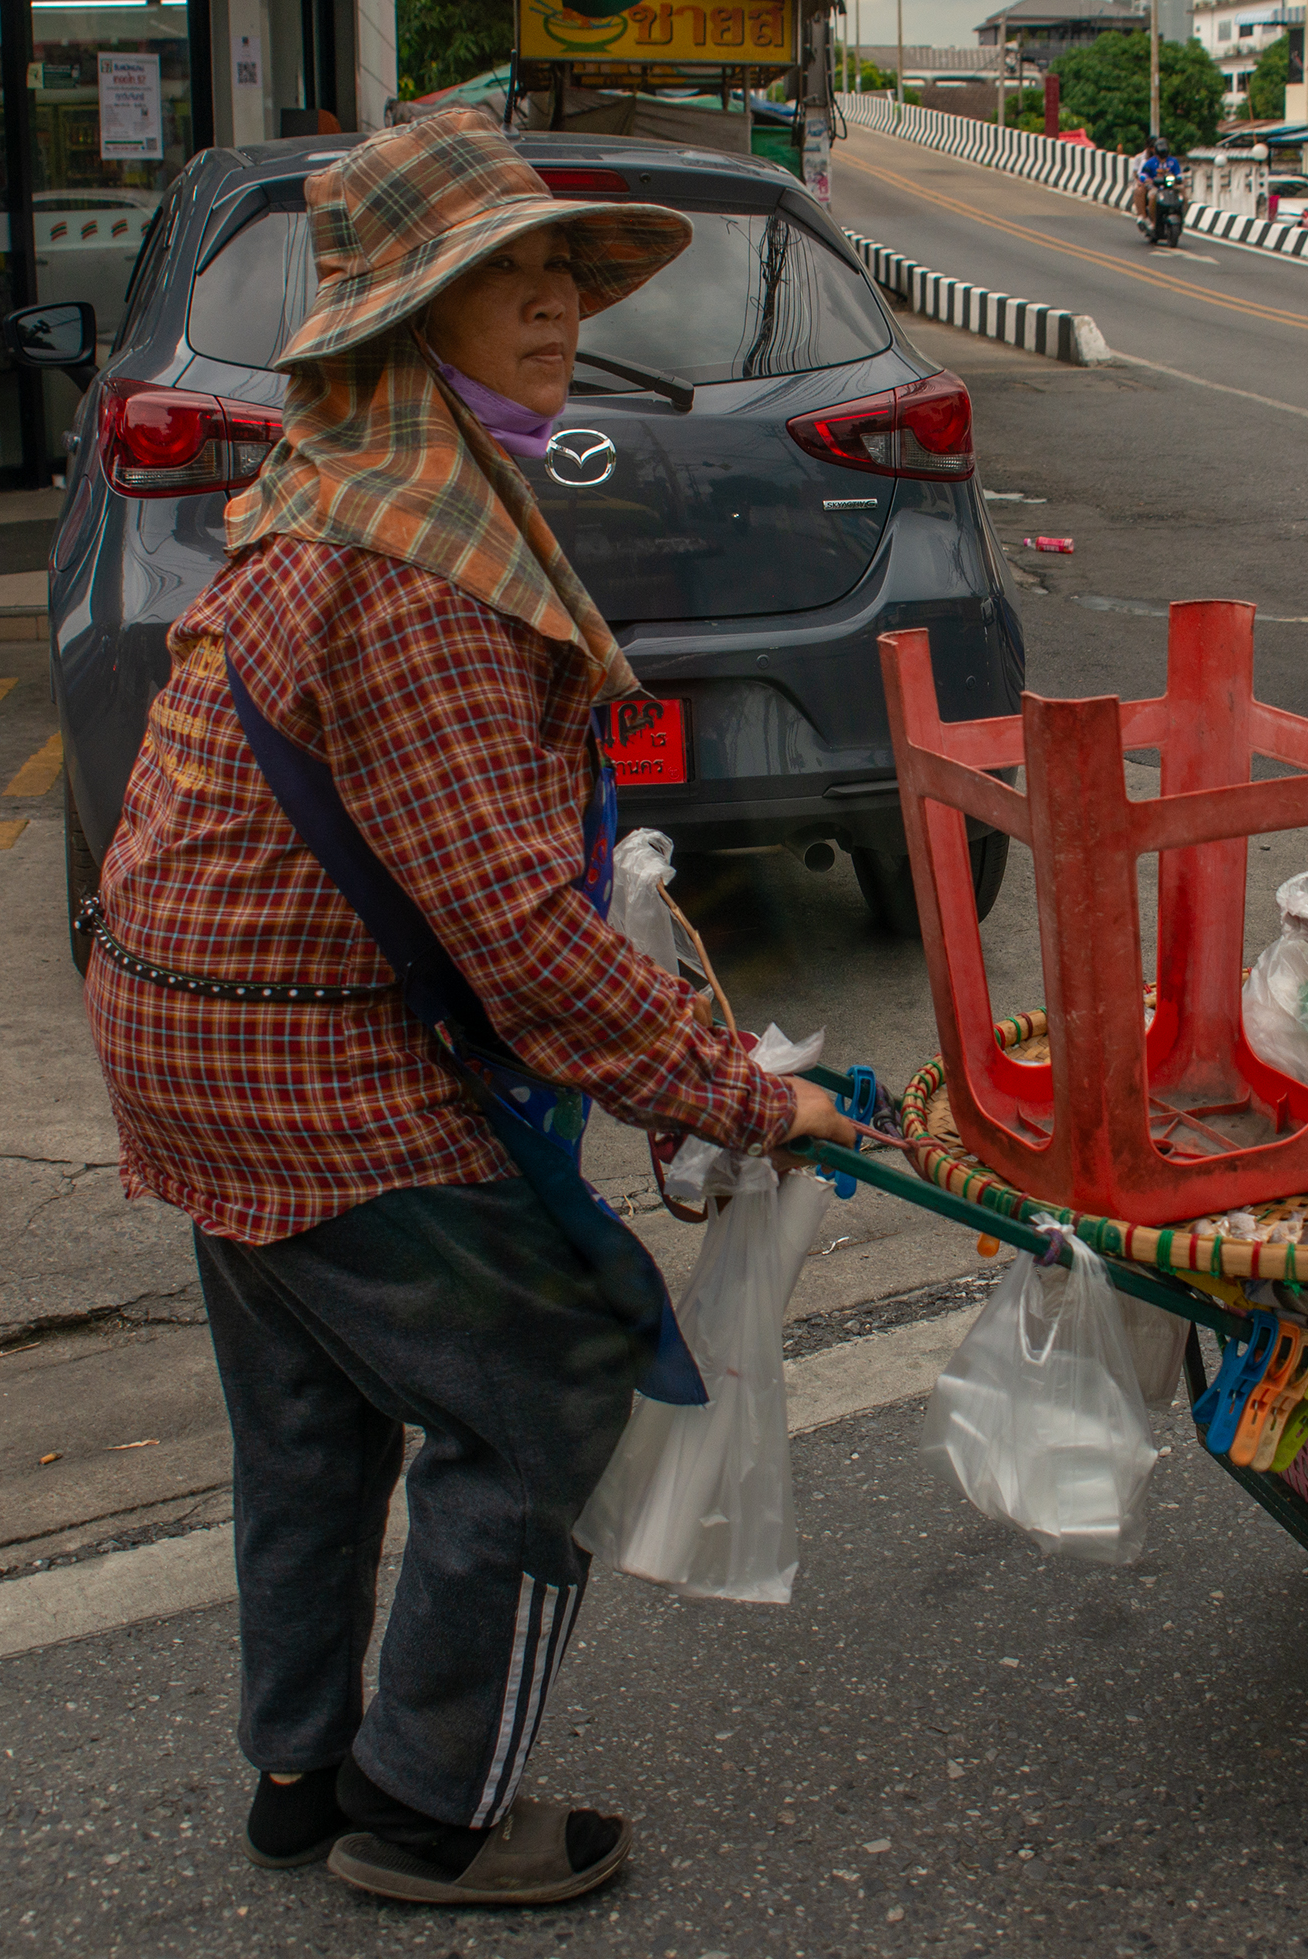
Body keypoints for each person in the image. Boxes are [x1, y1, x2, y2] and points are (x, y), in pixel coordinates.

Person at [81, 109, 856, 1908]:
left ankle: (300, 1765)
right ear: (395, 321)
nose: (556, 304)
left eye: (565, 270)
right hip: (298, 1061)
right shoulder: (416, 564)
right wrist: (742, 1092)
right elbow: (514, 928)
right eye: (500, 275)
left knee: (312, 1409)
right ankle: (426, 1807)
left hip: (186, 1033)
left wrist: (662, 1059)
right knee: (547, 1375)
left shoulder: (349, 492)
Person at [1132, 135, 1179, 228]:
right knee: (1150, 196)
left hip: (1169, 187)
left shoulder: (1173, 161)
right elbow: (1141, 174)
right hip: (1155, 187)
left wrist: (1180, 179)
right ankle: (1150, 220)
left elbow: (1178, 174)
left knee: (1182, 195)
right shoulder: (1149, 161)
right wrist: (1146, 180)